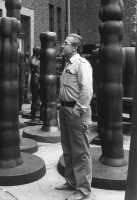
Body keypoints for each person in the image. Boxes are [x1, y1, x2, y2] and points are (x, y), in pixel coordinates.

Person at [55, 33, 93, 200]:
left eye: (65, 43)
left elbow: (87, 90)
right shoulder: (69, 64)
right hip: (65, 111)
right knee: (68, 150)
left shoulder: (81, 64)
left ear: (75, 47)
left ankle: (83, 189)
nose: (62, 46)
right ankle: (71, 182)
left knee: (80, 152)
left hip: (76, 112)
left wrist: (78, 110)